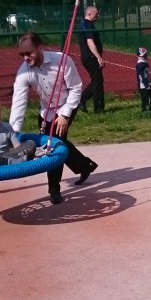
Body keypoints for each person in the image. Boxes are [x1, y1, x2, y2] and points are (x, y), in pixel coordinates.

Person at [9, 32, 100, 204]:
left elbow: (76, 88)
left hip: (67, 104)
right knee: (57, 143)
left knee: (53, 145)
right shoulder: (24, 72)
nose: (26, 58)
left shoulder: (62, 61)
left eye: (29, 53)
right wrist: (13, 133)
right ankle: (84, 165)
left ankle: (54, 190)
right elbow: (18, 103)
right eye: (22, 54)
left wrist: (65, 115)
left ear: (39, 47)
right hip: (46, 110)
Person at [78, 5, 106, 114]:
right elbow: (90, 42)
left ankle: (82, 100)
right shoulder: (87, 24)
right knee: (97, 82)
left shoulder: (84, 24)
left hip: (88, 57)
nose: (98, 15)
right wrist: (98, 57)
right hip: (91, 57)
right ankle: (97, 108)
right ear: (89, 14)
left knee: (97, 81)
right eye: (96, 14)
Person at [136, 47, 151, 113]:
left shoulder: (143, 63)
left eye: (146, 54)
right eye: (145, 55)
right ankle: (145, 112)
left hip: (145, 84)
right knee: (145, 99)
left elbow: (146, 74)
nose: (146, 56)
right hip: (143, 85)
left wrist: (150, 80)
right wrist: (147, 84)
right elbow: (143, 76)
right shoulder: (141, 65)